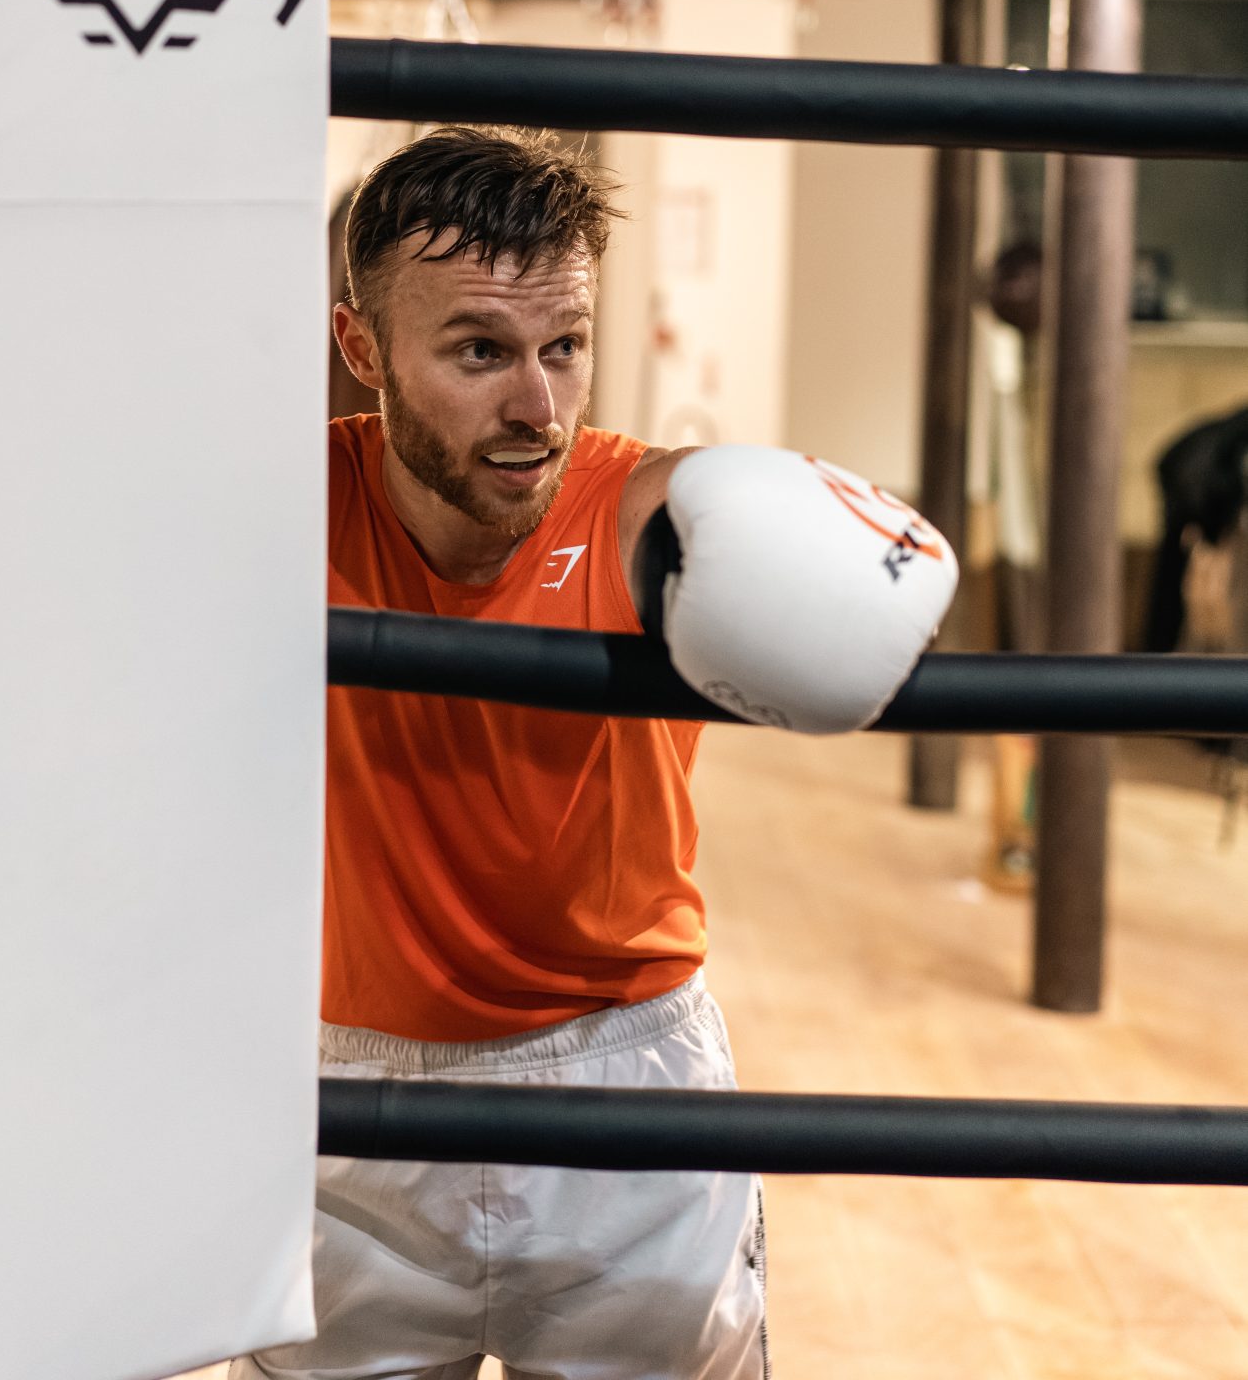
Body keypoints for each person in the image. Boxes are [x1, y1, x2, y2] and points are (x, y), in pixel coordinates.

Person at [232, 125, 956, 1380]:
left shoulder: (638, 510)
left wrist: (782, 538)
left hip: (625, 1088)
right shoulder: (281, 501)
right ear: (362, 348)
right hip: (353, 1090)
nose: (539, 407)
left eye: (565, 346)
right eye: (479, 350)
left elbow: (704, 511)